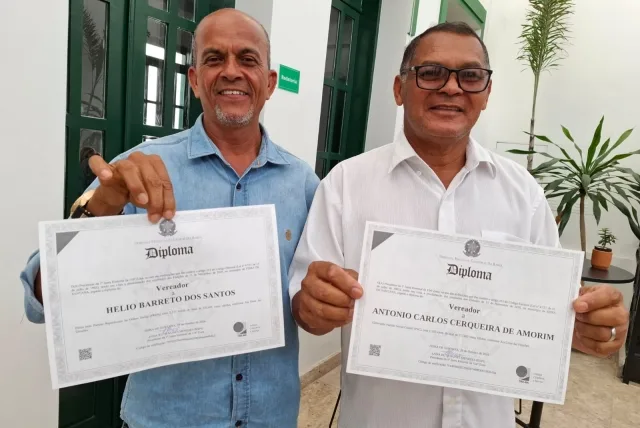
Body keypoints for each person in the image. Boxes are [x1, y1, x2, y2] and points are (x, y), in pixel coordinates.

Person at [288, 22, 629, 427]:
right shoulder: (345, 184)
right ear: (399, 90)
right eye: (431, 73)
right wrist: (313, 303)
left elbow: (552, 310)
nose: (452, 88)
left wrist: (587, 325)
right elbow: (305, 306)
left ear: (485, 94)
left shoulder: (524, 193)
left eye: (470, 76)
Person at [20, 9, 319, 428]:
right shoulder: (136, 170)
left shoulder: (304, 183)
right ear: (194, 79)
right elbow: (40, 301)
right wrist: (103, 207)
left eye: (248, 59)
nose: (231, 71)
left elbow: (308, 298)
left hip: (271, 418)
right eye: (215, 59)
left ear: (269, 83)